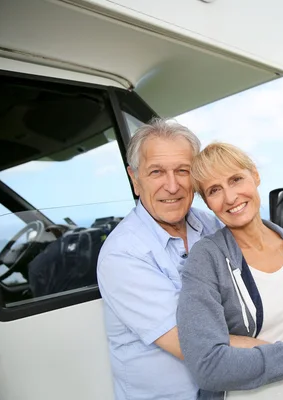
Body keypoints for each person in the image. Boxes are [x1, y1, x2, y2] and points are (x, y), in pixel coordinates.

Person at [176, 142, 283, 400]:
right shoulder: (206, 259)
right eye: (215, 190)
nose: (230, 197)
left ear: (255, 175)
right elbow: (208, 365)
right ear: (207, 202)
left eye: (236, 179)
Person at [97, 119, 258, 400]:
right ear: (135, 179)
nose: (172, 186)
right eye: (156, 172)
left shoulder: (213, 225)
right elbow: (198, 346)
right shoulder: (123, 254)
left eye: (182, 171)